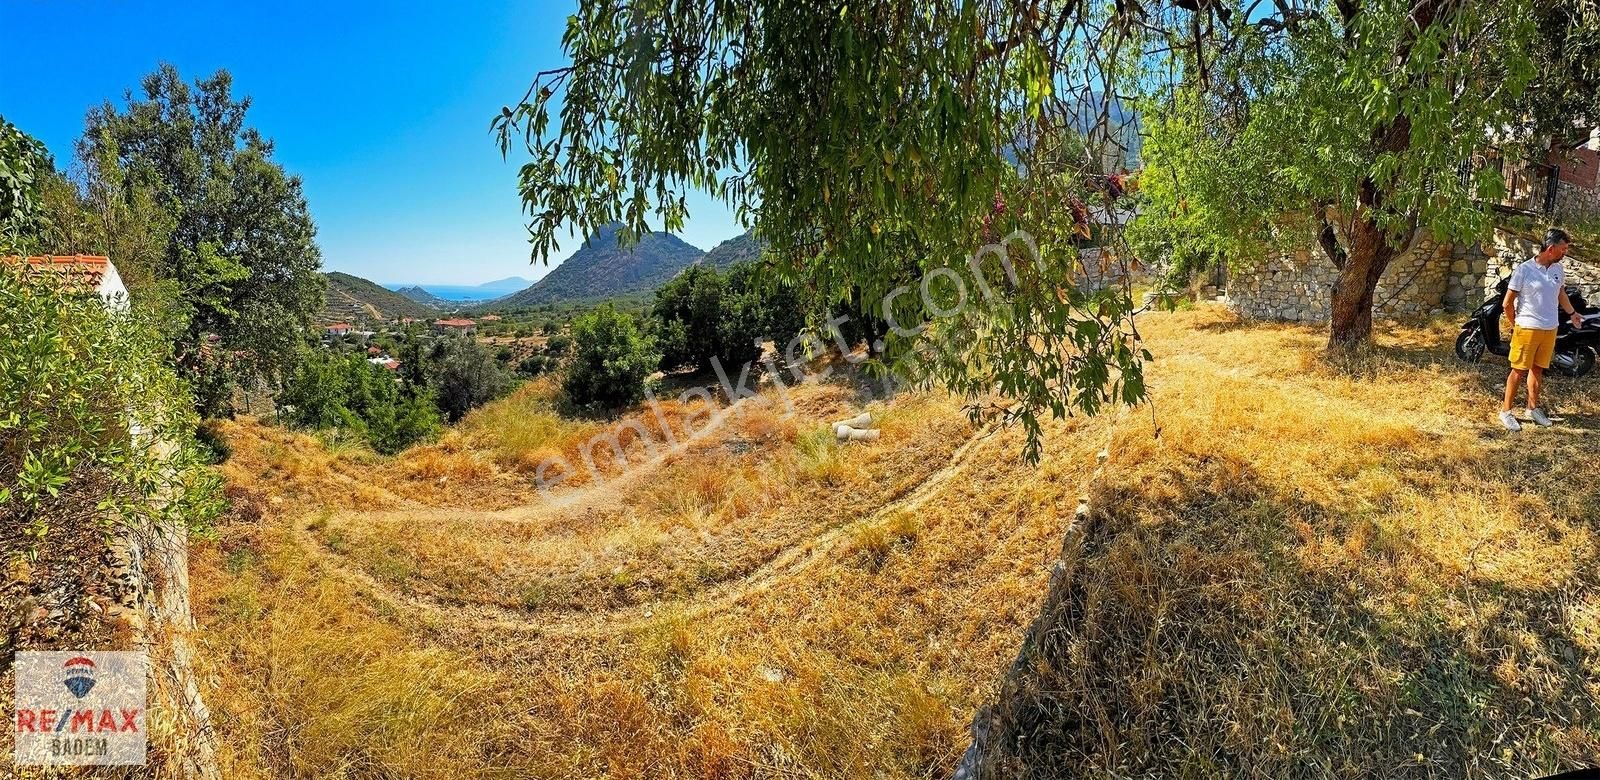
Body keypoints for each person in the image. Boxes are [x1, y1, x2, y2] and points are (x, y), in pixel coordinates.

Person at [1499, 228, 1585, 431]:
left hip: (1550, 328)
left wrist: (1572, 313)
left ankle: (1532, 409)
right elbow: (1507, 303)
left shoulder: (1558, 269)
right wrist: (1516, 324)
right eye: (1563, 249)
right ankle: (1506, 411)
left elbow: (1560, 293)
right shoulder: (1524, 270)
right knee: (1518, 370)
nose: (1565, 253)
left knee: (1538, 369)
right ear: (1551, 248)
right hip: (1527, 328)